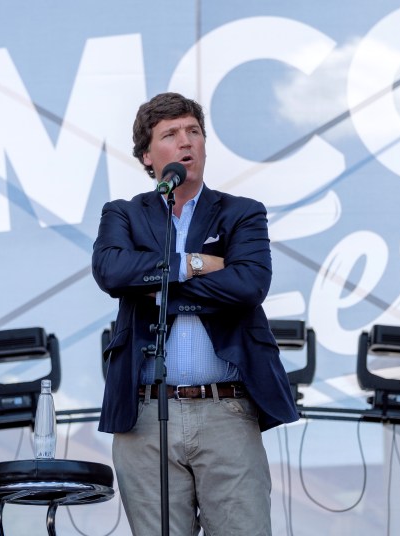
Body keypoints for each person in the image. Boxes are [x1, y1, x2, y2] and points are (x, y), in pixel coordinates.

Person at [92, 92, 299, 535]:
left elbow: (248, 285)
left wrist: (155, 285)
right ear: (148, 156)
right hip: (145, 415)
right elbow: (111, 272)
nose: (187, 141)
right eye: (170, 134)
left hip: (225, 409)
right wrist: (195, 263)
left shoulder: (241, 213)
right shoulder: (123, 215)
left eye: (194, 131)